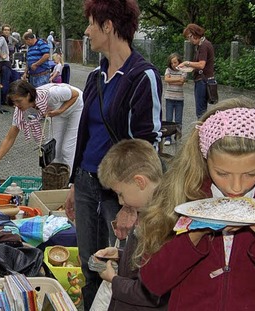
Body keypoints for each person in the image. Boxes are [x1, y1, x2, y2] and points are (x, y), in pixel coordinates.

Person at [138, 98, 255, 310]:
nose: (236, 187)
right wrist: (197, 232)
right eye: (222, 173)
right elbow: (154, 281)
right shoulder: (183, 198)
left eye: (251, 174)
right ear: (204, 157)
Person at [63, 0, 163, 309]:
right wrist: (74, 184)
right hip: (86, 182)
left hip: (117, 191)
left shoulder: (142, 76)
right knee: (89, 262)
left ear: (109, 26)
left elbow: (148, 144)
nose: (87, 30)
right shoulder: (95, 77)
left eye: (92, 23)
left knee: (124, 264)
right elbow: (85, 134)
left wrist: (131, 207)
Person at [94, 139, 168, 310]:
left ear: (139, 182)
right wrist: (121, 255)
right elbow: (143, 261)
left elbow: (149, 293)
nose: (120, 201)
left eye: (120, 194)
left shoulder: (160, 225)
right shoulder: (147, 212)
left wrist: (114, 279)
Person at [0, 80, 83, 173]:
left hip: (75, 106)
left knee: (67, 148)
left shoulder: (52, 93)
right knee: (55, 149)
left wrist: (61, 110)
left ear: (28, 95)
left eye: (19, 101)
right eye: (14, 102)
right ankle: (57, 180)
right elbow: (10, 137)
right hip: (56, 112)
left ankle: (70, 182)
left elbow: (76, 95)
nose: (16, 105)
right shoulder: (20, 112)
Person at [179, 23, 215, 119]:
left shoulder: (204, 45)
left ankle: (201, 131)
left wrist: (187, 63)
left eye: (189, 37)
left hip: (203, 81)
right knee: (201, 110)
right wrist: (187, 68)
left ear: (194, 34)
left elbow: (201, 64)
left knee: (201, 112)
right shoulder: (201, 45)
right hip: (202, 79)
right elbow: (198, 65)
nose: (189, 40)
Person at [0, 25, 19, 114]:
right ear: (2, 31)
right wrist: (2, 56)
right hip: (4, 64)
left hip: (5, 64)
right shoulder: (2, 39)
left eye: (8, 30)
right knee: (6, 82)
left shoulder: (6, 39)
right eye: (5, 30)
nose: (7, 31)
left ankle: (5, 100)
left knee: (9, 80)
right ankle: (4, 100)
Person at [163, 52, 186, 145]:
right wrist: (177, 79)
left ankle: (178, 137)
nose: (173, 65)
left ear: (179, 62)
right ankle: (167, 138)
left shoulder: (183, 70)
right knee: (168, 119)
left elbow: (182, 81)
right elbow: (166, 80)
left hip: (179, 98)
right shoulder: (168, 70)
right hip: (169, 97)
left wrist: (171, 80)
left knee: (178, 119)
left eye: (175, 62)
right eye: (172, 63)